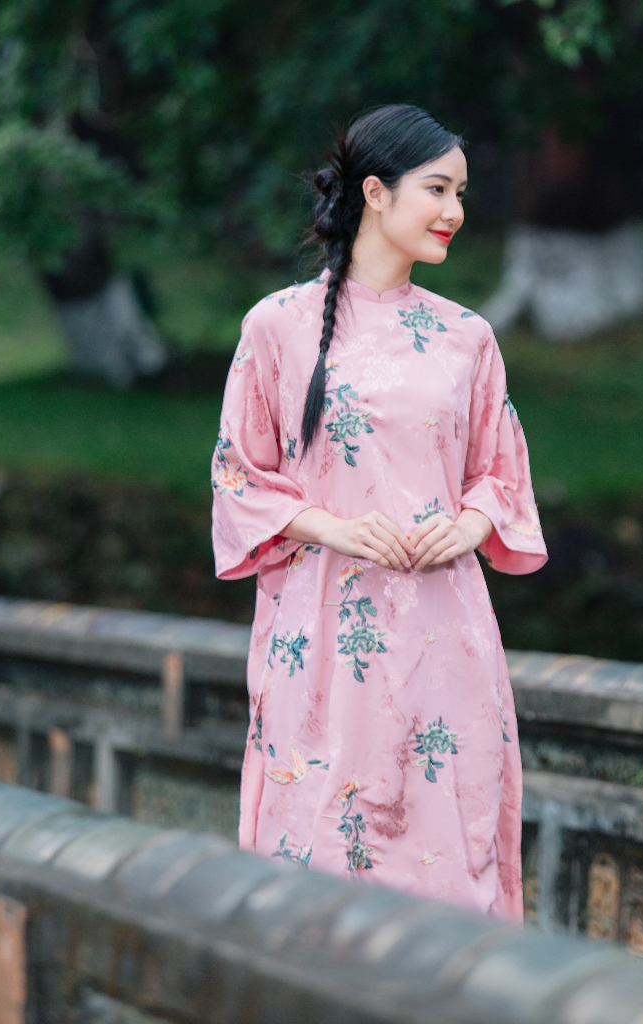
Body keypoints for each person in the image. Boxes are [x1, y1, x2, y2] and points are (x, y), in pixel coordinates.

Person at [211, 104, 547, 921]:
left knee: (449, 853)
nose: (455, 213)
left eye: (462, 193)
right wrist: (332, 525)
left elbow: (499, 478)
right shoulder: (279, 327)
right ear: (375, 192)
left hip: (444, 633)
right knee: (319, 848)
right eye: (437, 189)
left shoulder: (469, 339)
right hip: (322, 634)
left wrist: (466, 526)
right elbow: (236, 475)